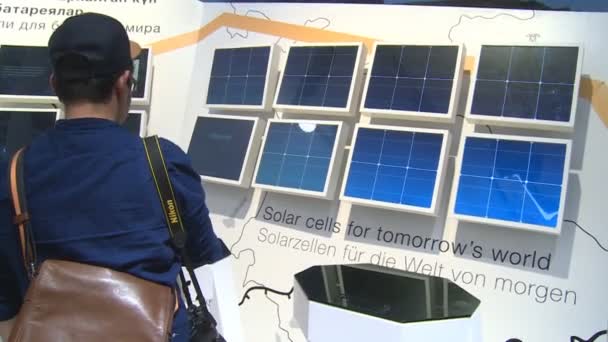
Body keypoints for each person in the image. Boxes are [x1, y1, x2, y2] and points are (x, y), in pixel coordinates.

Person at [0, 13, 226, 341]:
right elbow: (205, 254)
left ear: (54, 84)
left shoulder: (14, 172)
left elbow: (6, 298)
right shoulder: (163, 162)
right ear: (124, 81)